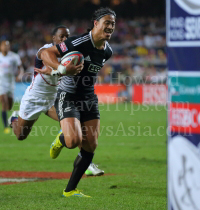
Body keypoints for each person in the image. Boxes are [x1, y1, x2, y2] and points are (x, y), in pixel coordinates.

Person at [35, 7, 116, 197]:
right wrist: (61, 68)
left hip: (89, 98)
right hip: (68, 96)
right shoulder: (78, 42)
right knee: (74, 141)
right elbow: (46, 53)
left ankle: (70, 190)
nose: (111, 26)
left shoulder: (107, 51)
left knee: (91, 145)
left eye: (113, 23)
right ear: (96, 23)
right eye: (107, 22)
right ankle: (61, 139)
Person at [8, 26, 104, 176]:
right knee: (20, 135)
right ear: (54, 39)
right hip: (35, 98)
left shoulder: (72, 53)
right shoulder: (45, 50)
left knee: (75, 128)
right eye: (61, 37)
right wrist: (58, 70)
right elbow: (47, 61)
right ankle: (14, 118)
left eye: (67, 36)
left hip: (55, 98)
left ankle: (87, 163)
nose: (65, 40)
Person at [0, 40, 24, 134]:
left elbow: (20, 68)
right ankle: (6, 126)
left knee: (9, 106)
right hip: (1, 83)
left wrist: (20, 75)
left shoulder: (14, 56)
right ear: (1, 47)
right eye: (4, 46)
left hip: (10, 83)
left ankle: (10, 118)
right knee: (4, 102)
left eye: (8, 46)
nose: (6, 47)